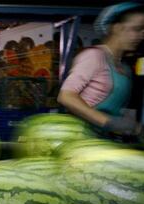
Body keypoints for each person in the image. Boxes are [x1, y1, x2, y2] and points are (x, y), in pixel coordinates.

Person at [58, 2, 144, 137]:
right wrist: (109, 122)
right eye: (136, 29)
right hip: (79, 136)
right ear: (117, 28)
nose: (141, 36)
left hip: (102, 138)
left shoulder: (125, 68)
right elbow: (66, 96)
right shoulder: (94, 56)